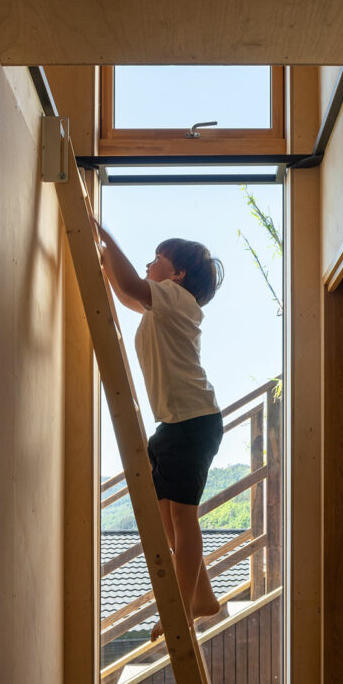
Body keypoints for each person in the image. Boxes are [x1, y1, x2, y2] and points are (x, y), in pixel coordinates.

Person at [94, 222, 224, 639]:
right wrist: (103, 263)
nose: (150, 262)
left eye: (157, 257)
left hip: (194, 421)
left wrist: (107, 237)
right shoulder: (162, 305)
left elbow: (131, 285)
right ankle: (202, 595)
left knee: (182, 518)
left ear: (178, 275)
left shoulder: (176, 300)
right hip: (175, 424)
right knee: (167, 516)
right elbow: (125, 292)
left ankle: (182, 613)